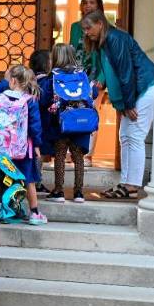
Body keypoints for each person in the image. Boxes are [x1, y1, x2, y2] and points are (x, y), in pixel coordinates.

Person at [82, 10, 154, 199]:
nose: (86, 32)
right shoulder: (104, 43)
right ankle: (125, 183)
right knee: (125, 136)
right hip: (134, 92)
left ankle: (132, 185)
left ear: (100, 24)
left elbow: (126, 72)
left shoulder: (115, 39)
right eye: (84, 29)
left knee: (135, 136)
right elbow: (111, 73)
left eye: (89, 28)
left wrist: (128, 104)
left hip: (144, 88)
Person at [46, 44, 98, 203]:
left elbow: (46, 96)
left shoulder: (53, 76)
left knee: (60, 156)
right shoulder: (82, 74)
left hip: (61, 122)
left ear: (55, 57)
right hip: (82, 122)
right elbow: (93, 93)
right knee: (78, 157)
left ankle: (59, 191)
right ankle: (79, 193)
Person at [1, 65, 47, 224]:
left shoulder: (3, 98)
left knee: (8, 178)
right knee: (29, 180)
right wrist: (37, 144)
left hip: (5, 147)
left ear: (13, 81)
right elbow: (35, 126)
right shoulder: (30, 100)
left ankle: (8, 212)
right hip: (24, 148)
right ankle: (34, 213)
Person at [70, 0, 108, 164]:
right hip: (76, 77)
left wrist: (102, 77)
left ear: (98, 6)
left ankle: (87, 154)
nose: (88, 6)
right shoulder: (75, 27)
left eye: (92, 2)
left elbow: (107, 55)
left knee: (90, 114)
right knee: (73, 112)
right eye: (85, 3)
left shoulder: (105, 27)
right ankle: (74, 152)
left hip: (95, 76)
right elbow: (72, 50)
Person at [30, 49, 54, 194]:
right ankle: (36, 181)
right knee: (38, 153)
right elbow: (45, 100)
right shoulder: (47, 82)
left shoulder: (29, 82)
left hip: (31, 122)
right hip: (43, 122)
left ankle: (36, 180)